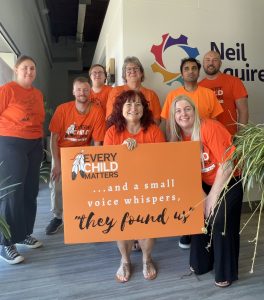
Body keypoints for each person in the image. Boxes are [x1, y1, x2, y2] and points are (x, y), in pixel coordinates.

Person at [169, 94, 243, 288]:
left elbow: (227, 165)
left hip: (229, 180)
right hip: (203, 183)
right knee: (198, 216)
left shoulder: (210, 127)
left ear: (194, 111)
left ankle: (225, 271)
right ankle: (203, 262)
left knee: (219, 221)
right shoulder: (177, 138)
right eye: (178, 111)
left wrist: (212, 197)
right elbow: (185, 173)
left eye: (187, 109)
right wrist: (202, 197)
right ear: (173, 116)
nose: (183, 114)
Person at [161, 57, 223, 249]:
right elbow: (170, 125)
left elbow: (215, 123)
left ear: (198, 71)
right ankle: (186, 231)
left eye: (194, 68)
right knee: (186, 190)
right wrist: (173, 150)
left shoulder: (208, 94)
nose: (190, 71)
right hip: (183, 149)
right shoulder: (173, 95)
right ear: (182, 73)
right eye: (186, 68)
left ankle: (205, 233)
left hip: (207, 150)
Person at [104, 90, 165, 283]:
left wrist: (138, 151)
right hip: (120, 188)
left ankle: (147, 259)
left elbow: (162, 160)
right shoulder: (112, 132)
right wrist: (123, 151)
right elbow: (107, 165)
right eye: (129, 104)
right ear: (120, 109)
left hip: (149, 187)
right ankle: (125, 260)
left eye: (138, 104)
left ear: (144, 109)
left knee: (148, 225)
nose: (134, 108)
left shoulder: (153, 130)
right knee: (122, 226)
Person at [45, 77, 106, 235]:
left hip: (83, 153)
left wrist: (95, 164)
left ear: (90, 92)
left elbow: (98, 141)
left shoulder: (97, 111)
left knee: (84, 187)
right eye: (78, 89)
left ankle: (83, 216)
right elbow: (54, 138)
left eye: (85, 90)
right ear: (73, 92)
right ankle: (58, 217)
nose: (82, 93)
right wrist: (56, 163)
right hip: (62, 152)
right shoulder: (63, 109)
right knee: (57, 187)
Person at [0, 55, 45, 264]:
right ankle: (5, 243)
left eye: (32, 68)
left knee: (30, 190)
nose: (29, 72)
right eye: (25, 68)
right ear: (17, 70)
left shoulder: (37, 94)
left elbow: (39, 120)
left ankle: (24, 233)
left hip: (34, 144)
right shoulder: (7, 90)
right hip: (11, 143)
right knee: (12, 192)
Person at [199, 50, 249, 135]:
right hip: (207, 138)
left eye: (215, 60)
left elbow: (243, 111)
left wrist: (241, 137)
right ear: (203, 64)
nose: (211, 63)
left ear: (220, 63)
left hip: (230, 136)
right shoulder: (198, 86)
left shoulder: (234, 81)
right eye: (207, 60)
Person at [106, 56, 162, 125]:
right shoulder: (115, 91)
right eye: (128, 69)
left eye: (136, 68)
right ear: (124, 75)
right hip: (121, 133)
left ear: (141, 73)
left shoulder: (151, 94)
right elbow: (110, 118)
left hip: (145, 133)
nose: (132, 71)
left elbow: (156, 121)